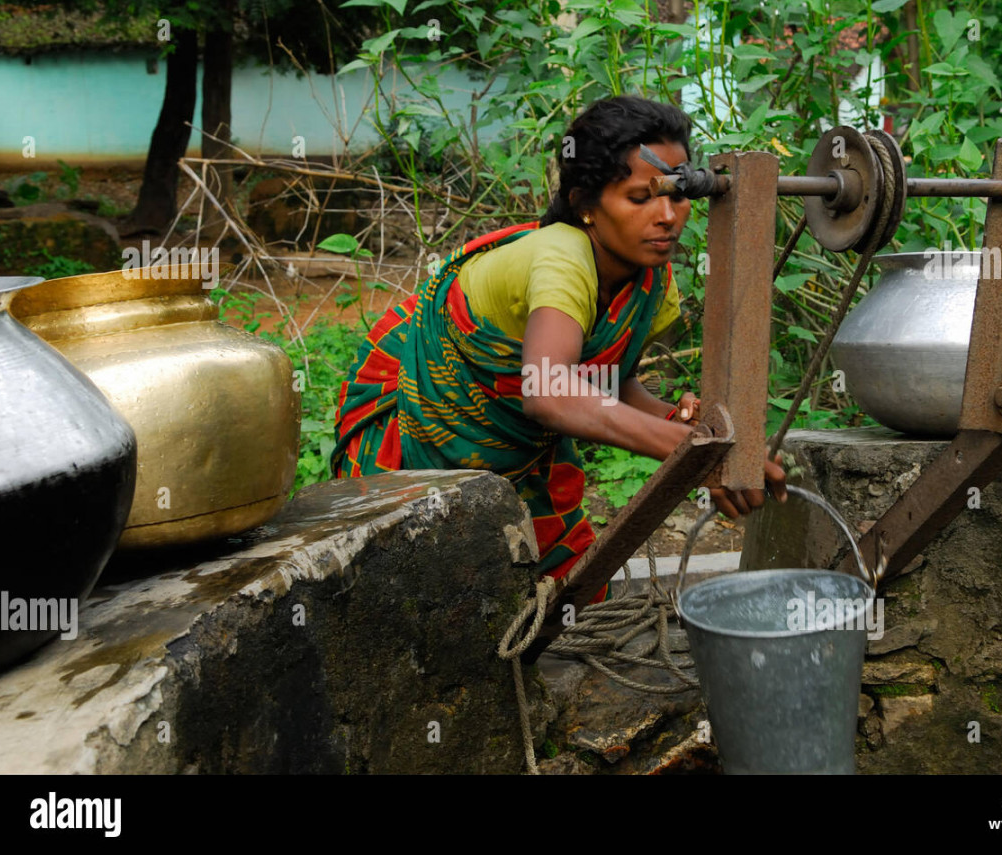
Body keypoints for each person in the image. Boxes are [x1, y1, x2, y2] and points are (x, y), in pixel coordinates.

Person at [332, 95, 786, 593]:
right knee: (421, 589)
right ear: (584, 205)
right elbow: (548, 392)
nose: (667, 216)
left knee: (572, 593)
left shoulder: (651, 281)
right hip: (418, 425)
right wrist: (698, 454)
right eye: (639, 198)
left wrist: (676, 425)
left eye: (677, 196)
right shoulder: (562, 256)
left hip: (519, 450)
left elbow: (606, 379)